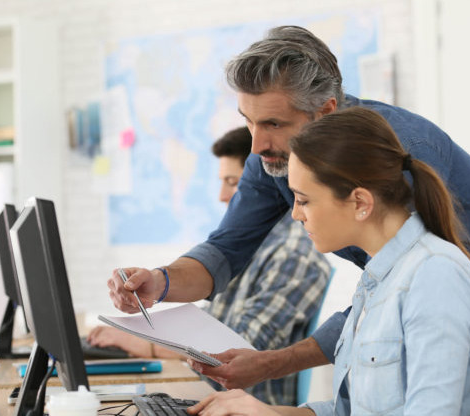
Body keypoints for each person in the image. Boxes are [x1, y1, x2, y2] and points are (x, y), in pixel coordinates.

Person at [108, 26, 470, 414]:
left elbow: (413, 292)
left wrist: (272, 367)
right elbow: (226, 250)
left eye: (274, 124)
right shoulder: (277, 160)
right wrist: (159, 282)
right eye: (248, 122)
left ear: (324, 111)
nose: (257, 144)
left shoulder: (399, 166)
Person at [190, 107, 470, 415]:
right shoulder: (377, 279)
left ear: (360, 203)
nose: (296, 214)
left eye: (304, 200)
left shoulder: (435, 277)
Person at [92, 127, 331, 406]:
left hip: (245, 404)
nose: (221, 195)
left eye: (233, 183)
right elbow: (216, 321)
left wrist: (144, 346)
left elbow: (238, 349)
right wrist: (142, 324)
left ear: (263, 186)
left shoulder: (293, 257)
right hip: (208, 396)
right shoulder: (247, 249)